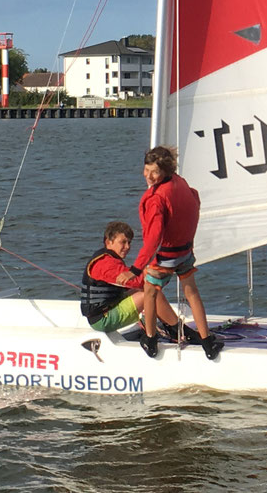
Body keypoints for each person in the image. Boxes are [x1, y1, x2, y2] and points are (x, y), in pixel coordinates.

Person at [136, 145, 217, 358]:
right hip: (185, 253)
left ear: (165, 171)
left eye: (154, 172)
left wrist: (137, 266)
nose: (149, 175)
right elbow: (194, 198)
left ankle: (151, 340)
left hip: (165, 257)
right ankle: (207, 342)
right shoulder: (179, 182)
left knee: (150, 293)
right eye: (146, 169)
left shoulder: (156, 198)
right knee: (191, 291)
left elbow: (153, 237)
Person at [80, 221, 175, 354]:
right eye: (123, 242)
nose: (127, 247)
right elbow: (138, 282)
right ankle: (177, 331)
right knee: (151, 294)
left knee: (146, 291)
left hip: (106, 309)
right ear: (109, 242)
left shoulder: (109, 258)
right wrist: (163, 268)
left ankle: (169, 326)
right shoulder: (106, 264)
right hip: (102, 319)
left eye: (129, 242)